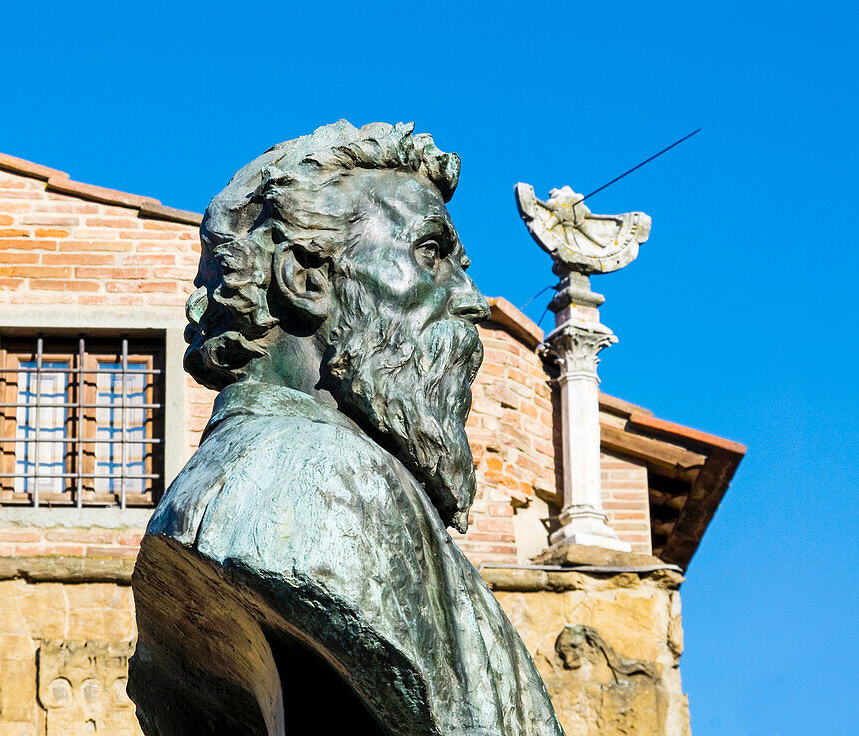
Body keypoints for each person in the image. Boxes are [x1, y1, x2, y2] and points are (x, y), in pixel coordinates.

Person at [128, 121, 564, 736]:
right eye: (432, 254)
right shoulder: (319, 483)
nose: (471, 298)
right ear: (306, 279)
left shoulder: (316, 478)